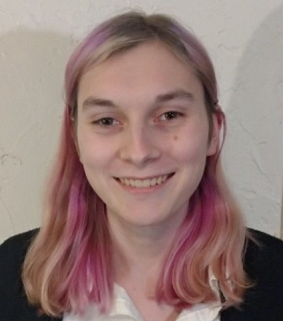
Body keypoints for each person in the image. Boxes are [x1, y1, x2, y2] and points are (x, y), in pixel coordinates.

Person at [0, 11, 283, 321]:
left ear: (214, 131)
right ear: (76, 139)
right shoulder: (7, 275)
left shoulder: (277, 278)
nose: (139, 152)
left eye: (169, 115)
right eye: (107, 120)